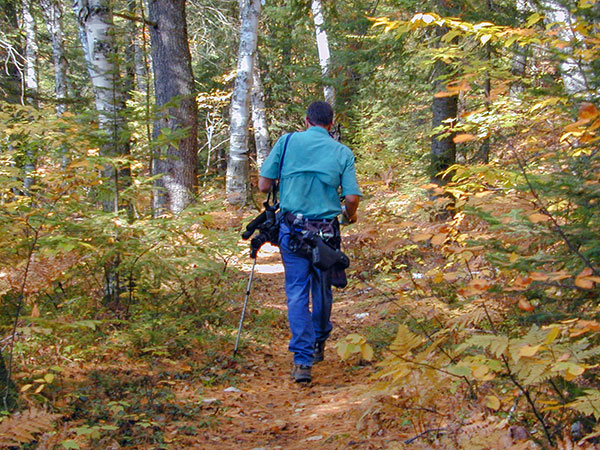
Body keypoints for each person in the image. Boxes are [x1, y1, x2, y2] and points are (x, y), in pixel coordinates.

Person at [258, 101, 361, 383]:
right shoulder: (342, 152)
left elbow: (264, 185)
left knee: (296, 293)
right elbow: (351, 198)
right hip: (326, 233)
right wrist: (349, 216)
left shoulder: (287, 142)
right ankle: (319, 340)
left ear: (306, 121)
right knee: (323, 289)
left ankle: (302, 361)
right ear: (331, 124)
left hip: (292, 231)